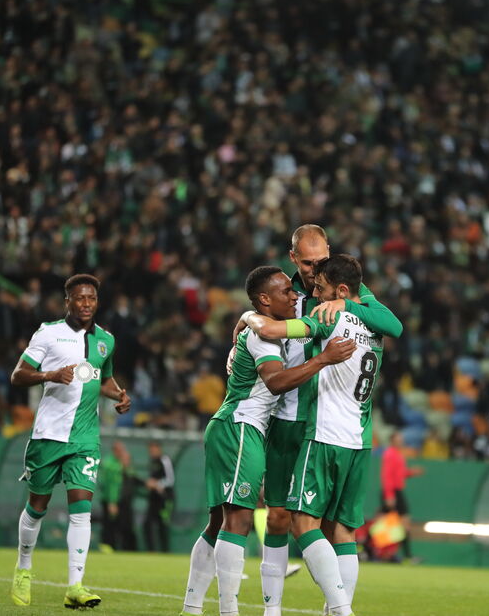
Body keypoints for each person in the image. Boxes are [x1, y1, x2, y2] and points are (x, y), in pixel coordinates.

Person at [179, 266, 356, 616]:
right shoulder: (263, 337)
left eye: (293, 291)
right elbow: (275, 382)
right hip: (241, 428)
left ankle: (191, 607)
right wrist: (323, 359)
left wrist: (247, 316)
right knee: (238, 522)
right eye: (285, 292)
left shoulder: (265, 329)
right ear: (264, 300)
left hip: (233, 426)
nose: (294, 296)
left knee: (219, 521)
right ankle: (228, 610)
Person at [251, 225, 403, 616]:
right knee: (282, 515)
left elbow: (393, 323)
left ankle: (338, 608)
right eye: (307, 263)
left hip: (322, 425)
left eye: (321, 263)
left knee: (311, 521)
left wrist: (250, 321)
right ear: (293, 258)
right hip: (297, 417)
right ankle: (275, 609)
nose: (314, 271)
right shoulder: (288, 289)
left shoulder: (339, 298)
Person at [8, 274, 131, 609]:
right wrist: (49, 374)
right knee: (37, 508)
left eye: (91, 298)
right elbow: (18, 375)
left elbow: (102, 379)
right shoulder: (49, 333)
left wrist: (119, 395)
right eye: (80, 298)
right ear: (68, 302)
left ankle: (75, 585)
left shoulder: (106, 340)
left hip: (85, 438)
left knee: (82, 509)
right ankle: (23, 566)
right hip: (48, 435)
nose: (86, 304)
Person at [380, 431, 424, 563]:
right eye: (399, 439)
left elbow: (399, 474)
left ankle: (397, 555)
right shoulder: (390, 454)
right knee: (395, 525)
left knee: (394, 525)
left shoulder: (398, 454)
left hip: (396, 491)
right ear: (393, 440)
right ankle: (404, 556)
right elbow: (386, 475)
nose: (401, 441)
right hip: (393, 492)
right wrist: (389, 495)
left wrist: (411, 472)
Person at [99, 441, 138, 552]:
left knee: (122, 525)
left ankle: (122, 548)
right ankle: (107, 546)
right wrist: (112, 502)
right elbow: (111, 485)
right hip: (110, 500)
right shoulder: (110, 464)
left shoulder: (119, 463)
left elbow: (131, 475)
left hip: (120, 500)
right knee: (109, 524)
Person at [143, 441, 175, 552]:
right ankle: (151, 551)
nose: (151, 452)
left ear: (159, 449)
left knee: (163, 526)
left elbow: (170, 479)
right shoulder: (152, 462)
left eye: (153, 449)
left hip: (165, 499)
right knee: (147, 524)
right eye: (150, 450)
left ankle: (165, 552)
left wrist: (157, 484)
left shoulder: (165, 460)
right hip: (154, 499)